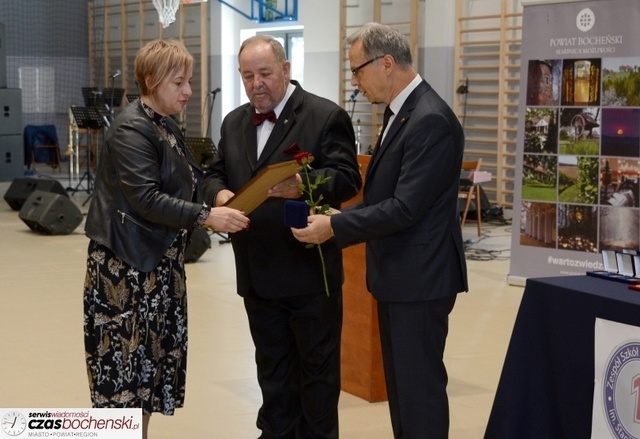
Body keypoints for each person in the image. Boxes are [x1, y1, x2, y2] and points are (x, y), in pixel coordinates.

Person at [291, 22, 469, 439]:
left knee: (419, 394)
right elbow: (384, 196)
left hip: (421, 279)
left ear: (386, 64)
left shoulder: (430, 118)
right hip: (401, 277)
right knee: (404, 393)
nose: (355, 81)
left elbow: (405, 208)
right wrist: (337, 213)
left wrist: (336, 226)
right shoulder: (403, 112)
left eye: (357, 70)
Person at [83, 39, 250, 438]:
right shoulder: (131, 128)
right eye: (179, 82)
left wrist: (219, 195)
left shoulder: (163, 124)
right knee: (124, 381)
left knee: (147, 377)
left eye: (189, 81)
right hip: (127, 273)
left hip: (158, 269)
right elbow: (146, 199)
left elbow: (191, 179)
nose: (188, 91)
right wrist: (206, 216)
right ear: (151, 80)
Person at [203, 35, 362, 438]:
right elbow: (214, 173)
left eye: (265, 73)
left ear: (286, 69)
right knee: (272, 375)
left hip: (308, 275)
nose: (256, 83)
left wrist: (302, 183)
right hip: (256, 274)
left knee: (317, 380)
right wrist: (219, 195)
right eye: (247, 76)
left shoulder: (325, 115)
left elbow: (347, 178)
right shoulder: (234, 122)